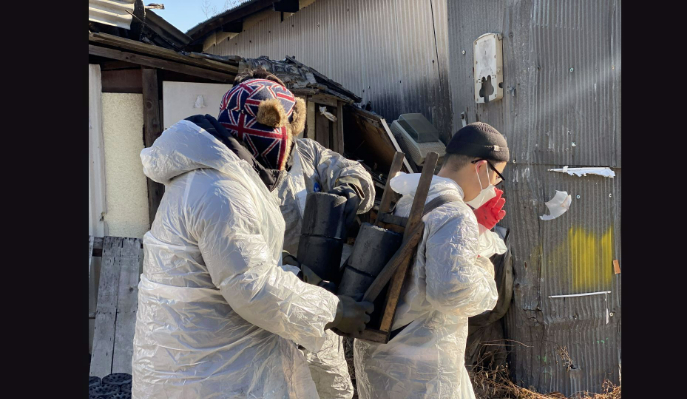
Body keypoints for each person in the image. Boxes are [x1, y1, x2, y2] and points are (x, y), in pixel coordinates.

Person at [131, 70, 373, 398]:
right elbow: (253, 286)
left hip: (279, 313)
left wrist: (351, 191)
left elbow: (352, 172)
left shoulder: (241, 170)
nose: (284, 165)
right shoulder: (223, 190)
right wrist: (332, 310)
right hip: (225, 357)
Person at [353, 122, 509, 399]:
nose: (495, 187)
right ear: (482, 167)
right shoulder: (455, 213)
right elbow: (452, 292)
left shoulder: (412, 197)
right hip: (422, 366)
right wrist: (485, 272)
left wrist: (478, 232)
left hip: (386, 351)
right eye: (498, 177)